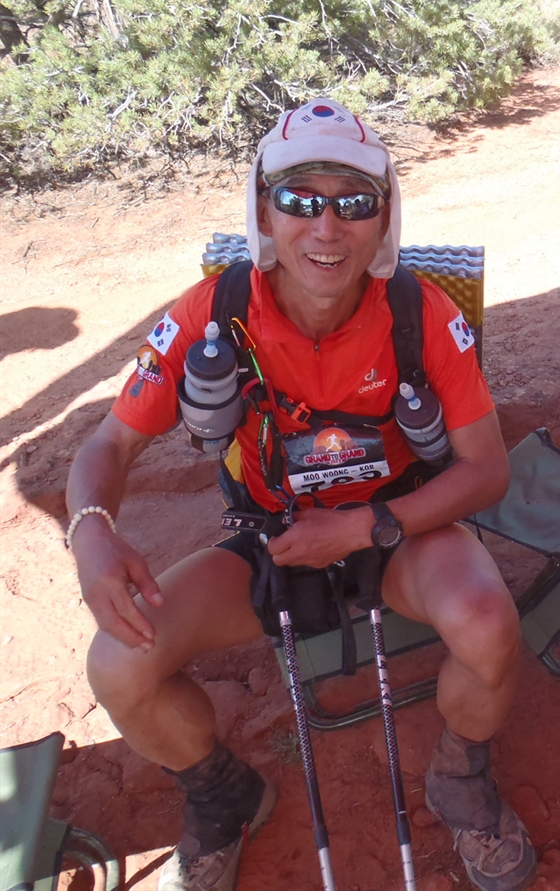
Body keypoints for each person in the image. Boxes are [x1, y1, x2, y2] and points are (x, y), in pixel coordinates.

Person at [66, 98, 536, 891]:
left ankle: (459, 774)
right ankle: (221, 793)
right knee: (119, 666)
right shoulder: (210, 313)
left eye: (354, 204)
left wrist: (364, 525)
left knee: (490, 625)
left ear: (384, 218)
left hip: (395, 528)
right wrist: (88, 530)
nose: (326, 228)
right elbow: (110, 442)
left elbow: (485, 469)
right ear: (262, 211)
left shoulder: (421, 313)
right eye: (299, 200)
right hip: (267, 538)